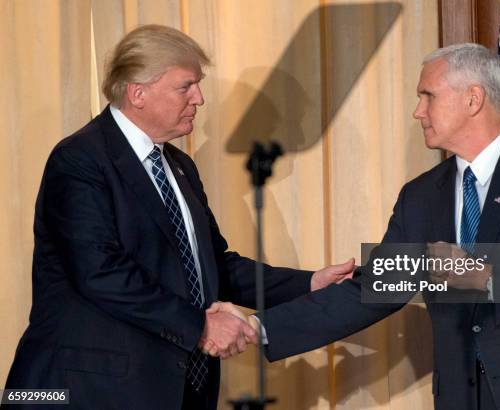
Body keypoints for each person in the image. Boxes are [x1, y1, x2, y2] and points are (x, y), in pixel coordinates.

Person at [209, 43, 500, 409]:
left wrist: (486, 274)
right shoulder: (420, 197)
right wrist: (258, 326)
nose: (418, 111)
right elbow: (372, 290)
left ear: (474, 98)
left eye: (428, 96)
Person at [2, 24, 354, 410]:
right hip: (84, 390)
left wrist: (308, 284)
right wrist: (200, 325)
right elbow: (99, 271)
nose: (199, 99)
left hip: (172, 387)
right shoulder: (79, 160)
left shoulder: (179, 165)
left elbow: (214, 267)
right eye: (185, 86)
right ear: (138, 92)